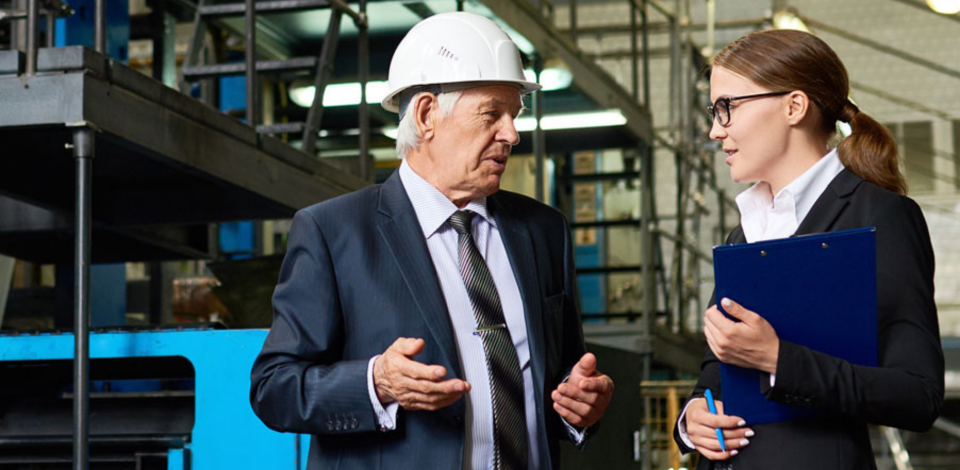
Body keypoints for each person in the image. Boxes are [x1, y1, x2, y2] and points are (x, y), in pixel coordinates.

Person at [249, 12, 614, 470]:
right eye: (491, 114)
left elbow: (562, 378)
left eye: (514, 115)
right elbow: (274, 388)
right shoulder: (334, 231)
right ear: (426, 116)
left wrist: (582, 407)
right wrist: (376, 382)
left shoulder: (544, 231)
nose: (512, 134)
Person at [673, 29, 944, 469]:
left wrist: (779, 359)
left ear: (793, 106)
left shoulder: (879, 217)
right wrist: (694, 417)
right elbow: (716, 368)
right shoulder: (743, 230)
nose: (714, 130)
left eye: (727, 108)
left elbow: (918, 395)